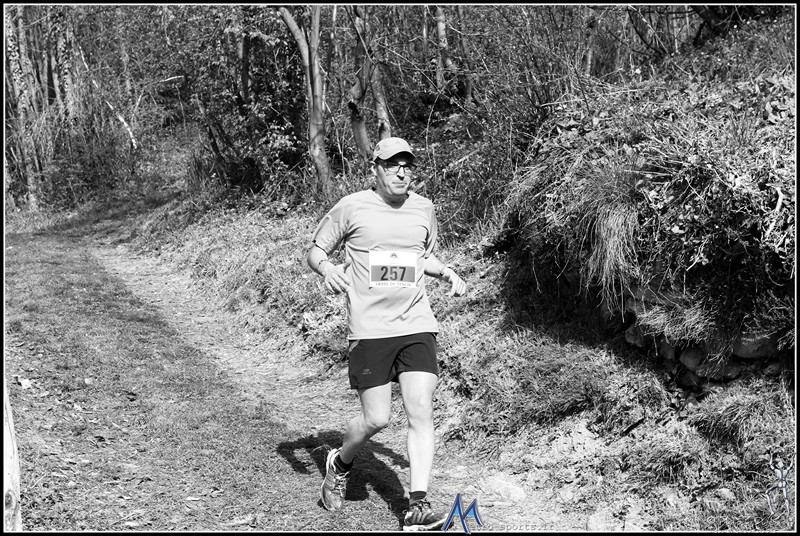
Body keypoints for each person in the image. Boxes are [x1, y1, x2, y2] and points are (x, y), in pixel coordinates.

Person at [307, 137, 467, 531]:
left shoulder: (424, 208)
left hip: (416, 323)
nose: (401, 172)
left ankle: (417, 507)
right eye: (392, 164)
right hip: (370, 328)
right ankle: (340, 461)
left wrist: (446, 271)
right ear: (375, 169)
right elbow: (316, 251)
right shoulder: (352, 207)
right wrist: (328, 270)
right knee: (376, 419)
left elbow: (421, 256)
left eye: (407, 165)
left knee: (421, 410)